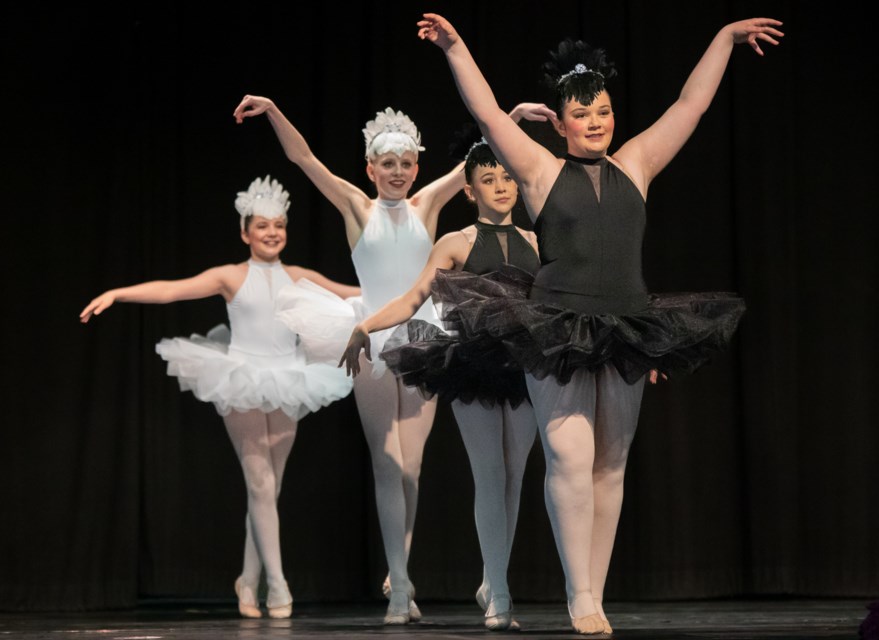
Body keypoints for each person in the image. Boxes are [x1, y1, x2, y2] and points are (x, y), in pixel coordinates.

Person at [418, 13, 780, 634]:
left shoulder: (636, 163)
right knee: (567, 454)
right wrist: (455, 48)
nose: (596, 123)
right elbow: (486, 116)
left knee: (610, 462)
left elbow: (690, 106)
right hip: (557, 326)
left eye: (604, 112)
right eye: (583, 116)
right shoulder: (540, 170)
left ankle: (597, 591)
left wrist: (721, 38)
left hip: (627, 325)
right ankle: (578, 592)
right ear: (559, 124)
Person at [80, 176, 361, 619]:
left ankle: (247, 581)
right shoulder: (231, 276)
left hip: (289, 376)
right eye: (262, 226)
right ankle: (279, 586)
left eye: (279, 225)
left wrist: (420, 291)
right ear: (245, 232)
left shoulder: (299, 276)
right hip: (242, 375)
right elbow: (172, 289)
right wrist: (118, 293)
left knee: (270, 489)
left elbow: (355, 295)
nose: (272, 233)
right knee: (260, 484)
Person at [339, 125, 546, 630]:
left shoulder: (539, 242)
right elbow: (413, 299)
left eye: (507, 177)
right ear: (469, 189)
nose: (501, 186)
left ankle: (491, 577)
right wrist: (365, 324)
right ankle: (499, 592)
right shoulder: (455, 242)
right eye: (488, 178)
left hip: (524, 368)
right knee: (489, 474)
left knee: (516, 475)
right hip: (471, 365)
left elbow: (565, 300)